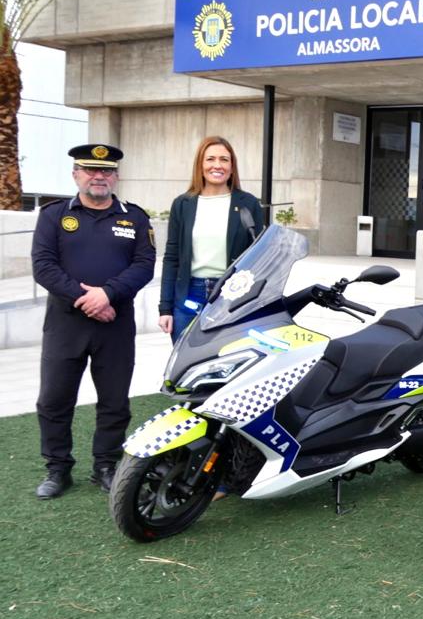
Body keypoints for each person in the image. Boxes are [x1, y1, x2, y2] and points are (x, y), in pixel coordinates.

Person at [31, 144, 155, 498]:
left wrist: (108, 294)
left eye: (106, 171)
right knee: (54, 399)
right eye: (90, 169)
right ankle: (57, 469)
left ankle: (106, 465)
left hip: (115, 325)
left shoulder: (135, 217)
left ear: (116, 176)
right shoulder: (54, 215)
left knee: (115, 401)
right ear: (76, 175)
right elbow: (43, 266)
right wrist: (88, 300)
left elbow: (144, 266)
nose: (98, 176)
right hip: (65, 324)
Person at [158, 136, 264, 342]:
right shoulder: (182, 204)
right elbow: (172, 258)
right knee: (187, 367)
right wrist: (165, 308)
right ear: (200, 165)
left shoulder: (248, 204)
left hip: (231, 296)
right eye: (210, 159)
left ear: (232, 167)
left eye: (224, 160)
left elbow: (259, 257)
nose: (217, 165)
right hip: (189, 297)